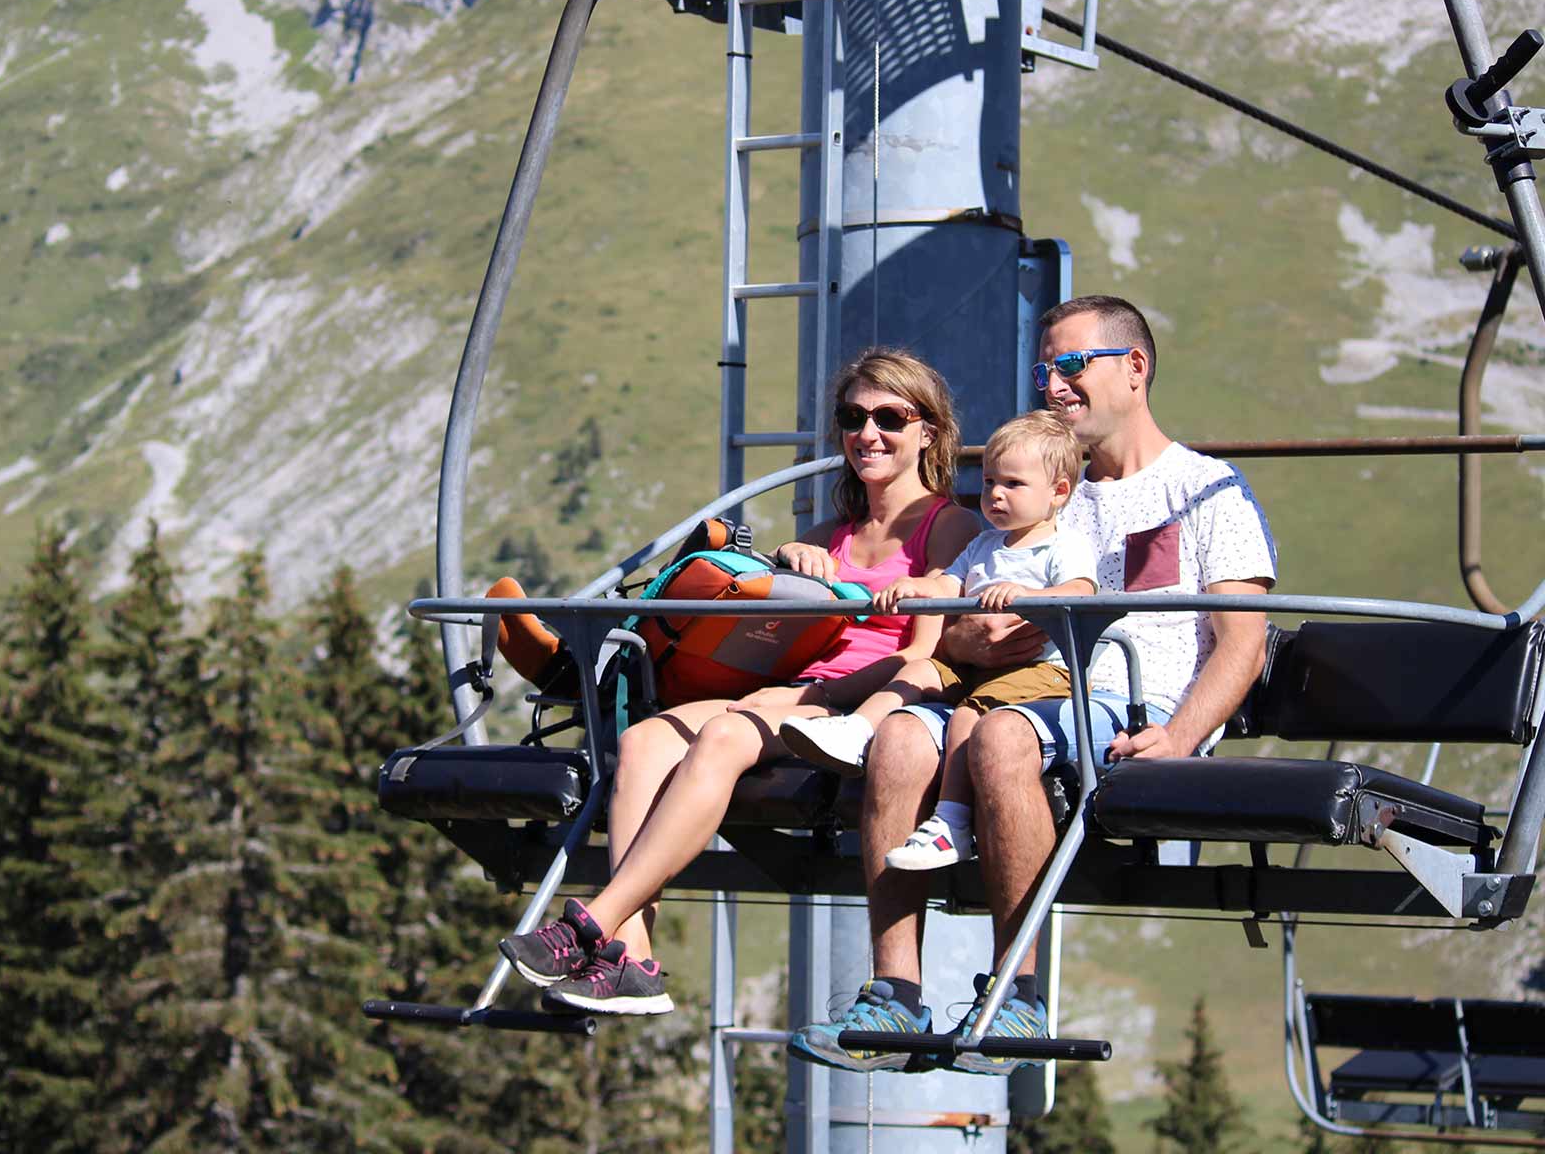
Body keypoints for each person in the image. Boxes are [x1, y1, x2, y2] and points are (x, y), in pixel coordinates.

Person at [789, 295, 1277, 1076]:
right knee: (901, 737)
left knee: (1004, 734)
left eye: (1073, 366)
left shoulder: (1205, 491)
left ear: (1136, 368)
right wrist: (967, 633)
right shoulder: (1041, 488)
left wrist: (1179, 736)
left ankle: (1015, 995)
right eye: (1045, 368)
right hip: (1013, 686)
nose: (1053, 385)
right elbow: (965, 613)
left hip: (1120, 702)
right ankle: (895, 990)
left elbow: (1241, 643)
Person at [495, 347, 976, 1017]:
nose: (868, 433)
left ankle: (589, 924)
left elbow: (925, 657)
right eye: (853, 416)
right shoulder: (830, 534)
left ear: (928, 429)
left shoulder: (949, 528)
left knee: (723, 736)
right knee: (645, 742)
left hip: (860, 707)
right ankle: (632, 959)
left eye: (890, 417)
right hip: (794, 691)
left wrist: (821, 696)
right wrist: (790, 568)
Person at [777, 410, 1096, 872]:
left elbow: (1081, 592)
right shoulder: (986, 545)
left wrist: (1031, 595)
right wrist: (917, 588)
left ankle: (951, 819)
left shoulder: (1062, 546)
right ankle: (857, 729)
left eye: (1013, 484)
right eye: (989, 483)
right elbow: (948, 584)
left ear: (1059, 492)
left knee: (971, 714)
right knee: (919, 670)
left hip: (1036, 670)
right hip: (978, 664)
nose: (996, 495)